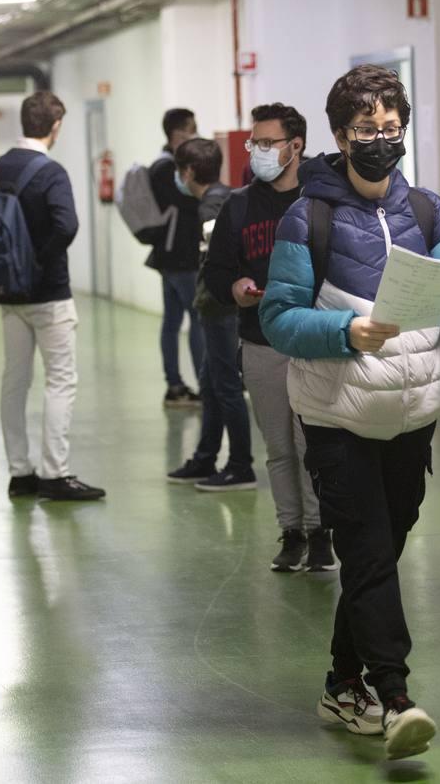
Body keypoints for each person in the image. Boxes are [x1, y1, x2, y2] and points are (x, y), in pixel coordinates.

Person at [260, 65, 440, 760]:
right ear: (339, 136)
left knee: (380, 554)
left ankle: (342, 682)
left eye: (390, 128)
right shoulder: (305, 217)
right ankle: (394, 696)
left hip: (410, 413)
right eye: (366, 129)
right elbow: (279, 319)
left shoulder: (427, 212)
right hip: (336, 417)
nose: (380, 140)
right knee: (366, 552)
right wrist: (344, 333)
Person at [0, 91, 104, 503]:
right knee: (60, 381)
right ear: (55, 126)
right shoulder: (51, 172)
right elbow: (66, 225)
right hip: (49, 295)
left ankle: (20, 473)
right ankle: (56, 473)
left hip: (9, 297)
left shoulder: (1, 168)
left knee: (15, 381)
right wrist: (37, 261)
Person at [202, 102, 337, 572]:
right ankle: (292, 531)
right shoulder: (238, 207)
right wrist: (234, 288)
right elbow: (216, 272)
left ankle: (323, 532)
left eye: (266, 142)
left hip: (315, 342)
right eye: (252, 142)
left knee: (312, 445)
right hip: (261, 342)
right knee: (278, 446)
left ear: (294, 146)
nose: (256, 151)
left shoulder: (322, 201)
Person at [164, 138, 256, 492]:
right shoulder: (222, 200)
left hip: (221, 311)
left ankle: (240, 465)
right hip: (213, 310)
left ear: (187, 172)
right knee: (211, 385)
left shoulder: (214, 208)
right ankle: (205, 457)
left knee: (227, 386)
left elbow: (225, 263)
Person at [144, 108, 204, 409]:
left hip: (168, 256)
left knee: (171, 321)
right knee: (196, 318)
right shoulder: (167, 169)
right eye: (191, 130)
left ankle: (175, 386)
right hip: (180, 256)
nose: (193, 135)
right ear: (178, 133)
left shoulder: (162, 166)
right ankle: (201, 385)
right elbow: (190, 202)